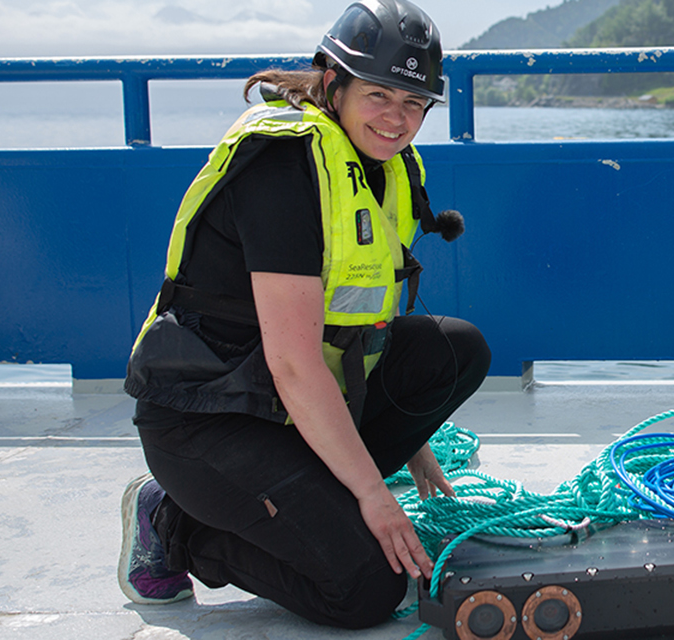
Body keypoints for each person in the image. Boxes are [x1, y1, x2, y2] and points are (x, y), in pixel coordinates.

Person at [116, 0, 491, 628]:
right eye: (379, 95)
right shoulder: (286, 168)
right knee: (369, 590)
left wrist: (413, 439)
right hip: (212, 417)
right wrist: (374, 492)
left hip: (290, 400)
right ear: (334, 83)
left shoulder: (382, 166)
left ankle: (311, 496)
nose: (397, 120)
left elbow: (364, 325)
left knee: (455, 351)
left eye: (414, 103)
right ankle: (170, 521)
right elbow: (292, 360)